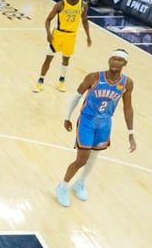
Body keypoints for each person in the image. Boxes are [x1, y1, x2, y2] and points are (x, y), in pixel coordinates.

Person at [55, 49, 136, 208]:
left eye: (120, 60)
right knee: (82, 159)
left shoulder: (127, 83)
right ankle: (62, 186)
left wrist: (130, 133)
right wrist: (67, 117)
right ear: (109, 60)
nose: (116, 62)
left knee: (94, 157)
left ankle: (80, 182)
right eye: (113, 58)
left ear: (125, 63)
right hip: (87, 120)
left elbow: (128, 107)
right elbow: (76, 96)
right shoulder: (94, 77)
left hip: (105, 122)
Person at [34, 0, 92, 93]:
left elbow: (84, 21)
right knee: (48, 59)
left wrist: (88, 36)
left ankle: (61, 80)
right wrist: (48, 33)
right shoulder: (60, 4)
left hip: (71, 36)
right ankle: (40, 81)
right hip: (58, 35)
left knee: (66, 59)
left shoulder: (83, 5)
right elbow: (48, 20)